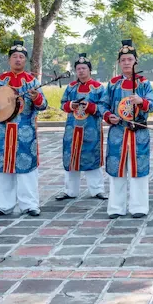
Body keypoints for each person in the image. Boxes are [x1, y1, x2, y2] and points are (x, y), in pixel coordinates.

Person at [0, 40, 47, 217]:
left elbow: (43, 105)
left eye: (21, 57)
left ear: (25, 61)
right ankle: (3, 205)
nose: (18, 60)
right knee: (3, 168)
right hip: (3, 131)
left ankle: (30, 205)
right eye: (14, 57)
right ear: (9, 60)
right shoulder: (1, 80)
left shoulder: (31, 81)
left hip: (25, 132)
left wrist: (36, 98)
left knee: (26, 168)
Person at [99, 39, 153, 219]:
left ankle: (139, 207)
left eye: (129, 59)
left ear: (135, 61)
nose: (126, 63)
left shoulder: (144, 83)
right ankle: (116, 207)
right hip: (118, 132)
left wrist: (142, 101)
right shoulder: (113, 83)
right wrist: (109, 116)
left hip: (138, 132)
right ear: (119, 62)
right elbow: (103, 104)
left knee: (138, 169)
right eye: (123, 60)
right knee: (117, 169)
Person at [56, 53, 106, 201]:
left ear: (89, 70)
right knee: (71, 158)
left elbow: (103, 107)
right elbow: (63, 104)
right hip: (72, 129)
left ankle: (97, 190)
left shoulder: (98, 88)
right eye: (78, 69)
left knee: (92, 157)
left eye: (84, 68)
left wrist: (90, 107)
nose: (81, 71)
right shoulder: (71, 87)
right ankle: (70, 190)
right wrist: (71, 105)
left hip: (91, 129)